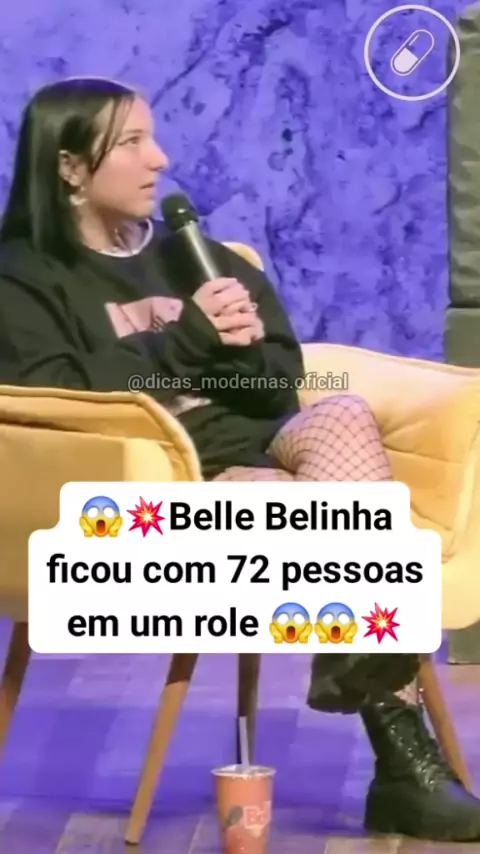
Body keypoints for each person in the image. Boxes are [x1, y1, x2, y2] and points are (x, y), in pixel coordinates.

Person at [0, 76, 478, 843]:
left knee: (343, 414)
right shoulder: (24, 278)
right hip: (171, 484)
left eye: (153, 137)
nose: (159, 159)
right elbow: (59, 395)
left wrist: (246, 349)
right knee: (357, 531)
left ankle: (352, 653)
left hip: (266, 449)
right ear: (70, 167)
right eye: (131, 143)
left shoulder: (199, 258)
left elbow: (281, 380)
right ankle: (402, 762)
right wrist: (189, 341)